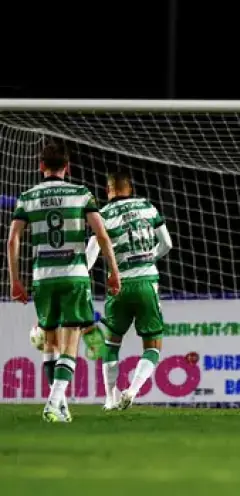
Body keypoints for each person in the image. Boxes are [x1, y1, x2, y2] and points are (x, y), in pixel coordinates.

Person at [7, 142, 121, 422]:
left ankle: (62, 407)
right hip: (73, 276)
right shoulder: (81, 194)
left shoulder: (27, 197)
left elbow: (13, 240)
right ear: (67, 167)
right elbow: (102, 236)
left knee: (49, 342)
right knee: (70, 343)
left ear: (40, 166)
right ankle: (54, 402)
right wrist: (114, 271)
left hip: (43, 277)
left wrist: (15, 280)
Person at [86, 171, 174, 411]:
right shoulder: (148, 207)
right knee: (153, 346)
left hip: (119, 285)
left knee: (111, 344)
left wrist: (82, 275)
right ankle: (132, 391)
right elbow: (167, 244)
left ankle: (110, 399)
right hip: (146, 282)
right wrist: (146, 259)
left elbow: (92, 252)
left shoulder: (102, 215)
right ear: (131, 189)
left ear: (108, 191)